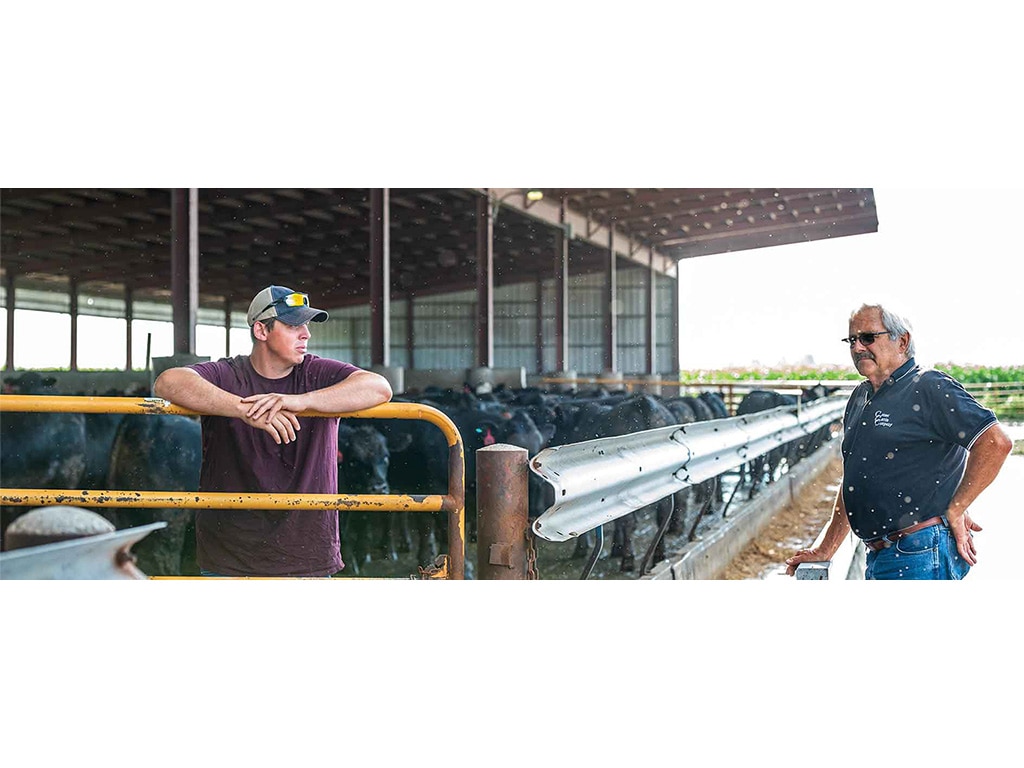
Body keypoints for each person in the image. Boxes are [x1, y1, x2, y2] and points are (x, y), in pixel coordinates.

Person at [153, 285, 393, 577]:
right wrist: (244, 409)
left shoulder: (317, 374)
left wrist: (301, 402)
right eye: (293, 325)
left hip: (307, 553)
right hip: (230, 556)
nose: (306, 334)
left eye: (306, 325)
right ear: (261, 331)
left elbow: (380, 387)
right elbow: (168, 382)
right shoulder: (228, 374)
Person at [786, 302, 1012, 580]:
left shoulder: (929, 386)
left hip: (919, 551)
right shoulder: (860, 397)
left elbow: (995, 443)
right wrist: (826, 548)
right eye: (851, 340)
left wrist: (958, 506)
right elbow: (856, 478)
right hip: (881, 552)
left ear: (902, 340)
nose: (857, 347)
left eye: (868, 337)